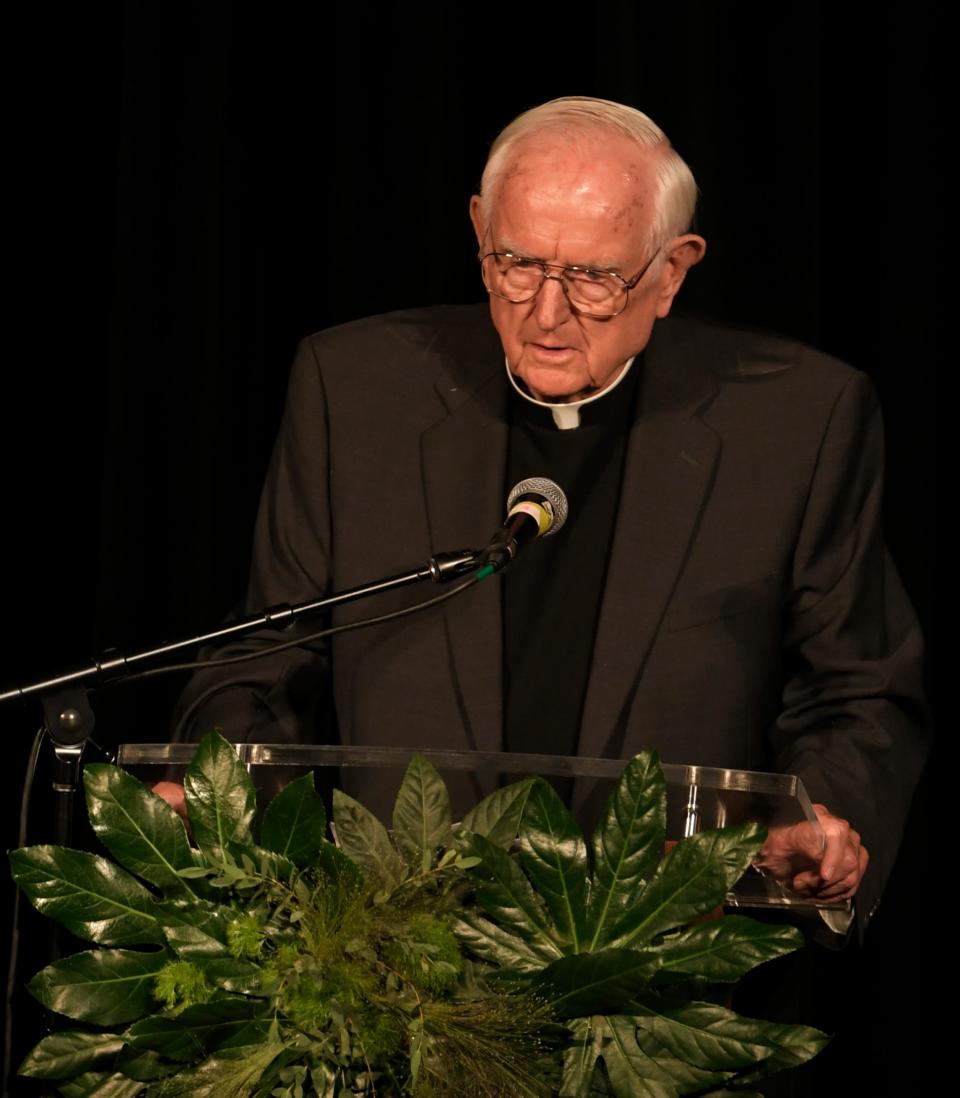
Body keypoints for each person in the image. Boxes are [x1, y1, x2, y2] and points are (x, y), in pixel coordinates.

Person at [169, 97, 927, 928]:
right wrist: (215, 790)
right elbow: (267, 653)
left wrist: (818, 823)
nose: (547, 313)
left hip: (662, 965)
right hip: (392, 963)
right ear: (478, 230)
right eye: (518, 263)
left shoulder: (798, 420)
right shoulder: (355, 390)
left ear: (672, 270)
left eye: (595, 278)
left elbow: (858, 691)